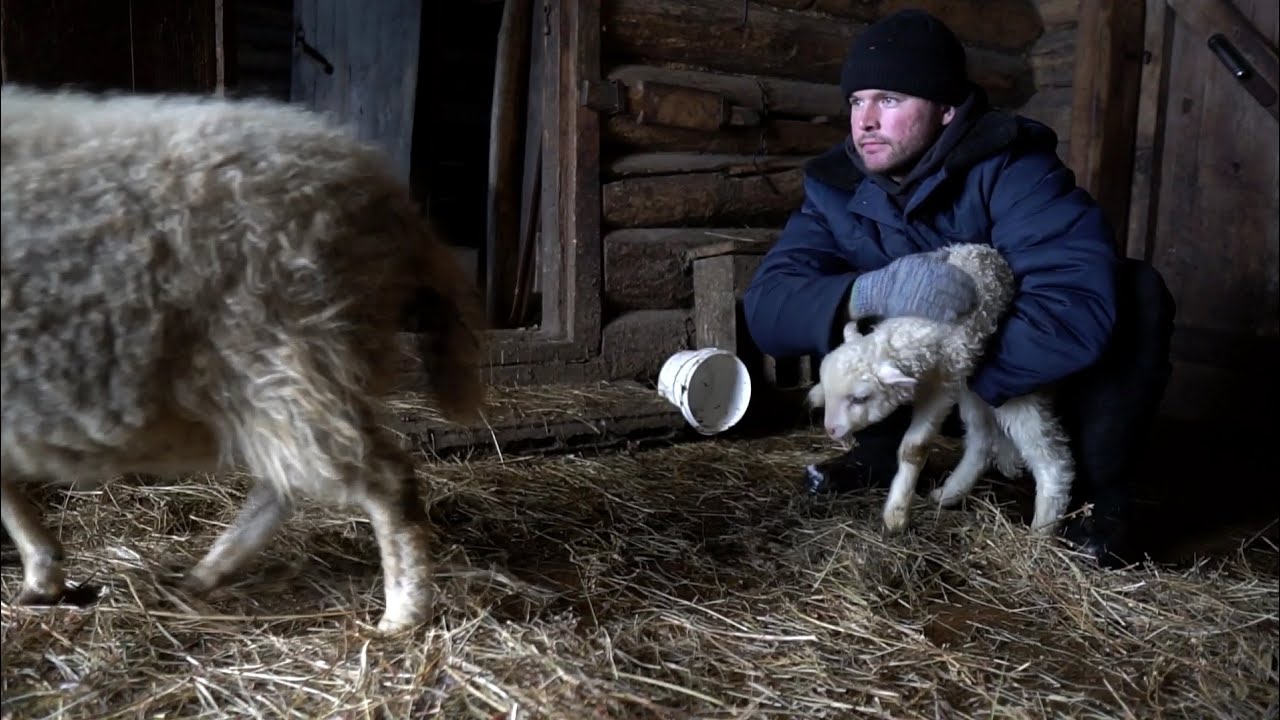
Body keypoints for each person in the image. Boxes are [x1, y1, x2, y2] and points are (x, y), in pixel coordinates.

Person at [742, 9, 1176, 567]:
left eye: (890, 100)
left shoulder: (1015, 168)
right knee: (841, 305)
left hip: (1014, 385)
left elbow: (1076, 305)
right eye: (856, 101)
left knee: (1136, 291)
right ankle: (878, 456)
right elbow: (768, 305)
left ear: (946, 110)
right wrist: (870, 292)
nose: (865, 120)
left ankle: (1101, 498)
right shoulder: (835, 188)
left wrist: (956, 374)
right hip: (913, 390)